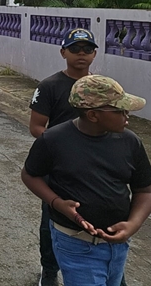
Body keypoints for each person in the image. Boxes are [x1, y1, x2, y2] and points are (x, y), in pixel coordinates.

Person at [22, 75, 151, 286]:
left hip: (118, 248)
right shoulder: (54, 140)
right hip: (75, 243)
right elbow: (30, 174)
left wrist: (133, 224)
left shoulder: (130, 142)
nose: (127, 115)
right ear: (93, 115)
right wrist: (57, 203)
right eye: (119, 110)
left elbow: (145, 191)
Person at [28, 28, 99, 286]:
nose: (82, 54)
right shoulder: (49, 86)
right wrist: (64, 148)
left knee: (96, 217)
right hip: (57, 167)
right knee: (52, 221)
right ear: (63, 52)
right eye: (75, 48)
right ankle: (49, 270)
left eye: (87, 49)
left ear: (94, 54)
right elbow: (36, 127)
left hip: (95, 166)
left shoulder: (101, 88)